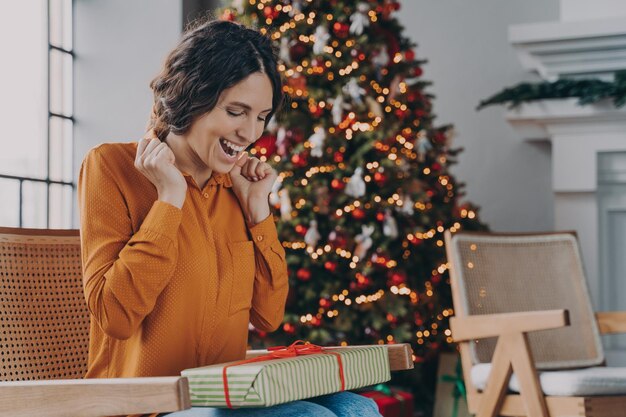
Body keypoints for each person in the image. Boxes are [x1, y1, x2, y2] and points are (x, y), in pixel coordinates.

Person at [78, 18, 381, 417]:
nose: (250, 133)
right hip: (145, 408)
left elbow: (268, 316)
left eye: (261, 116)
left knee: (357, 409)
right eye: (236, 111)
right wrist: (169, 199)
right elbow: (114, 315)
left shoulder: (236, 186)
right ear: (191, 96)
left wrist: (258, 212)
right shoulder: (112, 167)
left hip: (225, 396)